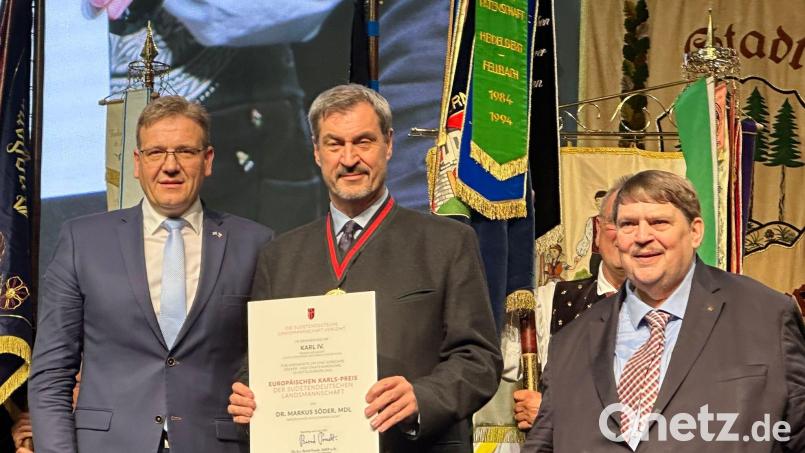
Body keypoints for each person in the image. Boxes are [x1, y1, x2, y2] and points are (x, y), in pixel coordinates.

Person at [226, 84, 502, 453]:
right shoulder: (280, 256)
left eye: (363, 141)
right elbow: (257, 363)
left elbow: (480, 359)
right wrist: (248, 395)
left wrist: (423, 398)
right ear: (316, 152)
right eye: (335, 144)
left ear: (388, 144)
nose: (349, 158)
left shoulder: (447, 243)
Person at [28, 96, 274, 453]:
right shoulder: (82, 240)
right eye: (156, 152)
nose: (170, 166)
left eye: (185, 152)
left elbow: (270, 366)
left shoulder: (255, 243)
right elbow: (51, 374)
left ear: (207, 161)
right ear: (137, 163)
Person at [523, 170, 805, 452]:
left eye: (659, 222)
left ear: (695, 231)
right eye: (628, 224)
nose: (642, 237)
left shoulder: (767, 316)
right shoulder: (570, 342)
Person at [513, 177, 629, 431]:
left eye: (638, 224)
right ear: (597, 230)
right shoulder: (551, 301)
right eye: (615, 222)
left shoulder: (680, 309)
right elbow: (496, 355)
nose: (625, 235)